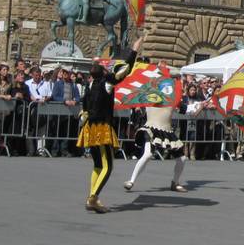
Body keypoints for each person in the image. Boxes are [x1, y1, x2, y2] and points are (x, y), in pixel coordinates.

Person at [78, 39, 139, 213]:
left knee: (97, 164)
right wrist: (134, 50)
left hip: (89, 128)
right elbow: (126, 69)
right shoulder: (107, 83)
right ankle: (93, 197)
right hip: (101, 128)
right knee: (107, 165)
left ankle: (92, 195)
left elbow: (84, 108)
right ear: (103, 72)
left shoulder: (89, 85)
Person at [124, 65, 189, 194]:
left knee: (182, 159)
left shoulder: (173, 98)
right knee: (147, 154)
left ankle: (175, 183)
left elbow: (186, 109)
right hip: (151, 128)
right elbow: (136, 98)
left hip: (167, 130)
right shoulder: (150, 94)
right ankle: (131, 180)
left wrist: (200, 105)